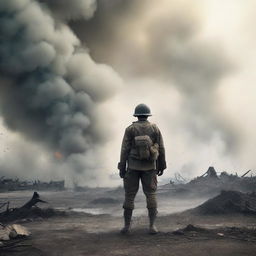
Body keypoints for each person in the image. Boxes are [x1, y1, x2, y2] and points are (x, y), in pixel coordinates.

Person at [118, 103, 166, 234]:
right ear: (147, 115)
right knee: (151, 195)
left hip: (132, 167)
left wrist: (122, 167)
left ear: (137, 115)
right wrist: (162, 165)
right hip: (150, 167)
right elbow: (161, 147)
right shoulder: (154, 128)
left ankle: (127, 227)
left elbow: (124, 149)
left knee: (129, 196)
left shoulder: (130, 129)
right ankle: (152, 226)